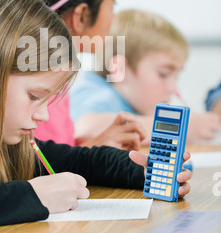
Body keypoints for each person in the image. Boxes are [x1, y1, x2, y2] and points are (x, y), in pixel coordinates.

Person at [0, 0, 191, 232]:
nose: (43, 114)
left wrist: (142, 171)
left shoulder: (2, 135)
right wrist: (36, 196)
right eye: (34, 95)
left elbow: (77, 160)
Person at [10, 0, 146, 150]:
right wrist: (92, 152)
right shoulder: (40, 87)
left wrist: (93, 147)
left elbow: (54, 153)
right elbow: (37, 168)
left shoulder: (49, 74)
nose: (114, 17)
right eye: (112, 5)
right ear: (82, 16)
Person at [70, 9, 221, 143]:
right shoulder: (99, 94)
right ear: (120, 69)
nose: (173, 87)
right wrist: (178, 128)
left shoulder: (131, 101)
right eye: (164, 74)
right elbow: (85, 129)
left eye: (176, 76)